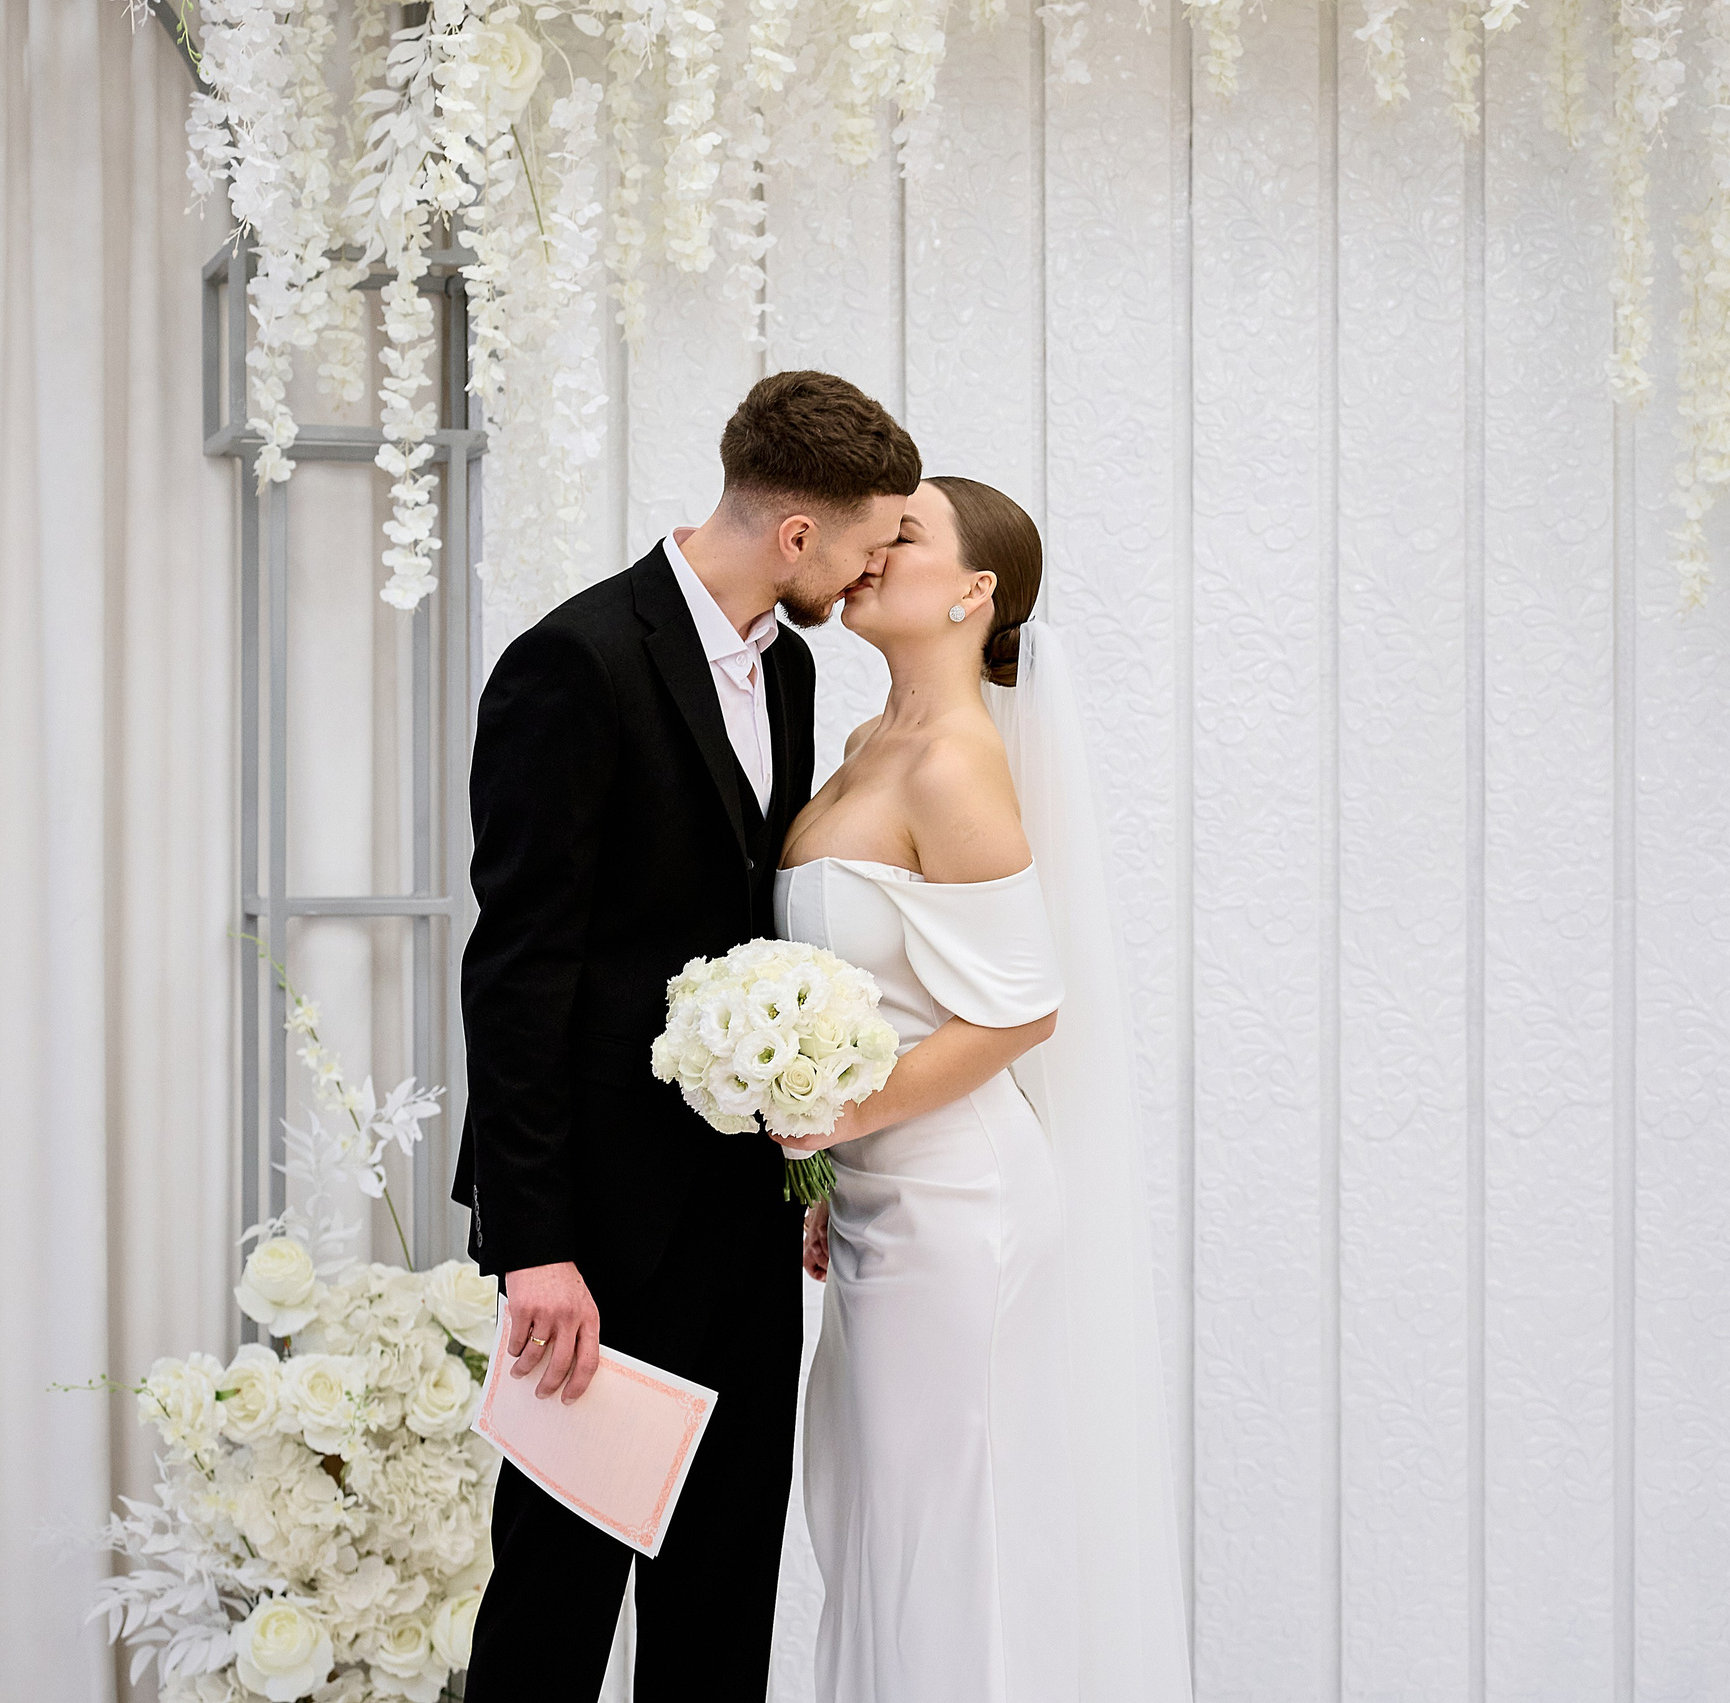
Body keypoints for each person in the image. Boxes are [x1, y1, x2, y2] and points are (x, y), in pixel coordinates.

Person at [454, 370, 918, 1700]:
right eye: (872, 539)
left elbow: (758, 942)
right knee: (555, 1597)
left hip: (743, 1218)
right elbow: (519, 964)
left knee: (723, 1596)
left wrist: (807, 1172)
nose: (878, 562)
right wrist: (535, 1241)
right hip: (596, 1231)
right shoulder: (574, 662)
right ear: (797, 535)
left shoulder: (790, 667)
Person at [773, 476, 1194, 1701]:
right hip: (870, 1202)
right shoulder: (865, 745)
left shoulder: (957, 761)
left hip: (958, 1208)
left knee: (950, 1543)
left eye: (901, 534)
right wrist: (824, 1163)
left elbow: (1020, 1007)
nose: (867, 549)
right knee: (874, 1526)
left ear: (974, 592)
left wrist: (845, 1115)